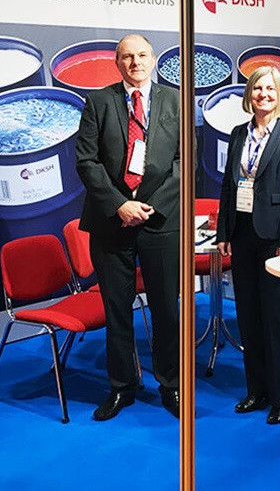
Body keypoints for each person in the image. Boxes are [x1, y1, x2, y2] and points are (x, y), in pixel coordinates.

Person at [75, 34, 181, 421]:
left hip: (160, 220)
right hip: (111, 222)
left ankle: (171, 384)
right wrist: (120, 204)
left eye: (142, 55)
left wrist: (149, 207)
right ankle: (122, 387)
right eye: (127, 56)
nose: (135, 62)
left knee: (166, 309)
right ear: (117, 63)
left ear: (153, 60)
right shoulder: (98, 102)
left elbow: (183, 162)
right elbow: (86, 161)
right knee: (117, 311)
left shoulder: (176, 101)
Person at [216, 66, 280, 425]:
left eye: (270, 88)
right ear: (249, 94)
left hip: (276, 238)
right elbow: (229, 186)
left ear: (279, 94)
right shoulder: (238, 133)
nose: (263, 94)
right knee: (248, 314)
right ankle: (255, 390)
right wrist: (224, 231)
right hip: (242, 234)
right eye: (257, 88)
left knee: (275, 318)